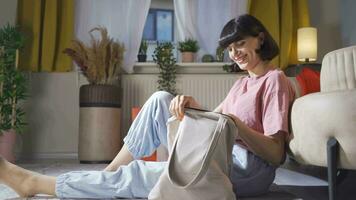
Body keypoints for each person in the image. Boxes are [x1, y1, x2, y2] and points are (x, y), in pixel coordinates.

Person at [0, 14, 295, 198]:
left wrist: (236, 124)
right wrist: (194, 106)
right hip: (221, 153)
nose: (235, 54)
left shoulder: (275, 80)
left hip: (248, 170)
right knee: (160, 101)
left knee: (143, 175)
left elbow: (275, 152)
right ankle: (110, 172)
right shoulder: (242, 83)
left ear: (260, 39)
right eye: (230, 49)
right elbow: (218, 121)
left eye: (239, 44)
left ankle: (36, 184)